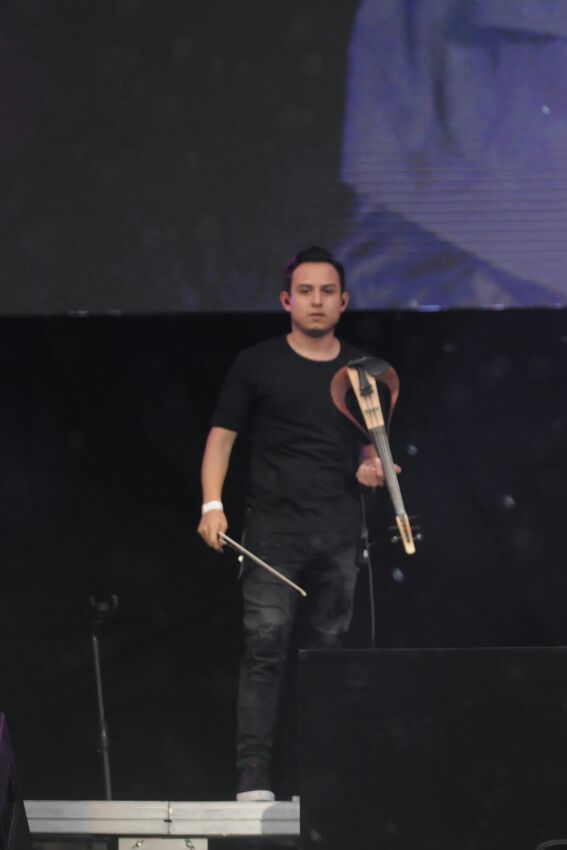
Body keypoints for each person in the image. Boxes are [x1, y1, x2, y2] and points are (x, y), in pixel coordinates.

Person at [196, 246, 394, 801]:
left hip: (338, 536)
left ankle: (318, 782)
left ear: (344, 301)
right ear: (286, 300)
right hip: (272, 535)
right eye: (305, 291)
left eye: (327, 291)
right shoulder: (257, 364)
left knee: (325, 660)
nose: (316, 301)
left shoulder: (361, 372)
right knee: (265, 652)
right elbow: (221, 438)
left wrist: (373, 469)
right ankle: (253, 778)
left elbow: (370, 450)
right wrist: (211, 504)